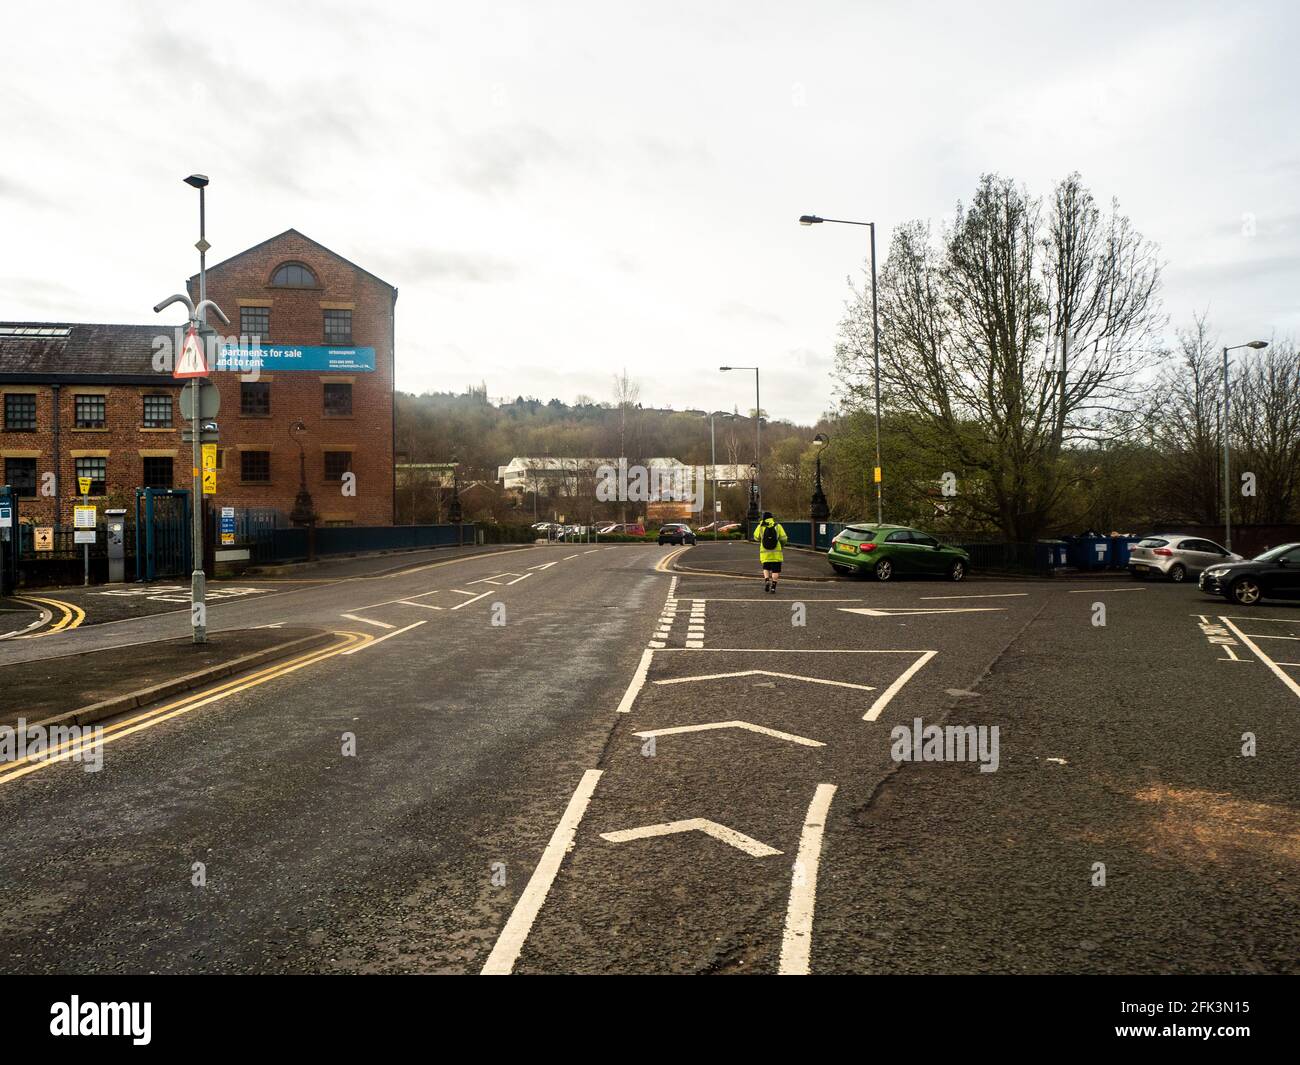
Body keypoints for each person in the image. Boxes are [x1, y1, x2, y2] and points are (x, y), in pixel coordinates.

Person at [752, 510, 788, 594]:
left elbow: (755, 537)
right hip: (776, 553)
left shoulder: (760, 526)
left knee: (766, 567)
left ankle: (767, 580)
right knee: (775, 570)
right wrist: (781, 545)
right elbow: (784, 538)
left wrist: (762, 539)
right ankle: (773, 587)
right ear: (771, 518)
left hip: (765, 552)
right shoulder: (777, 526)